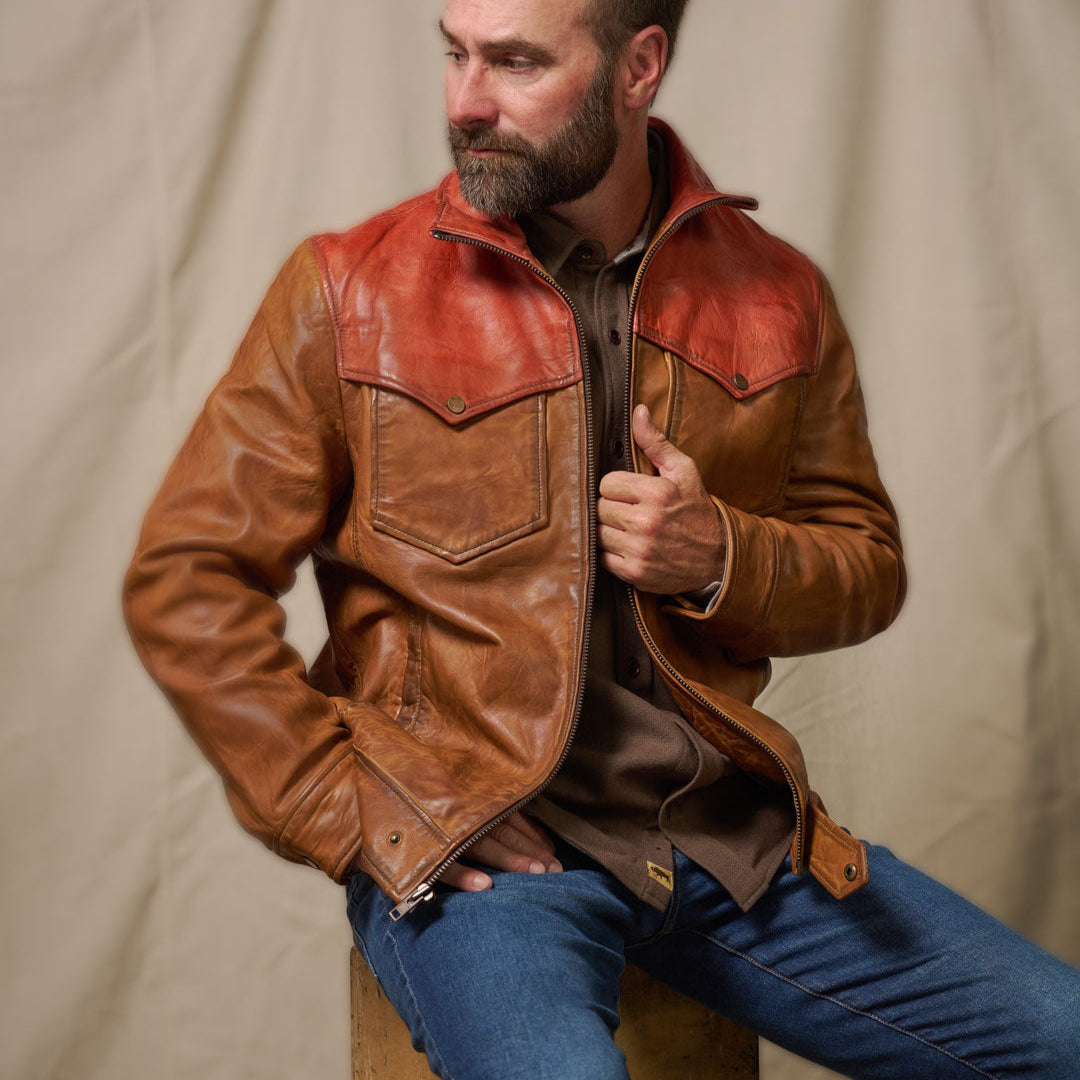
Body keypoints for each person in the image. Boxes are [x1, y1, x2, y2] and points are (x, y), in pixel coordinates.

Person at [123, 1, 1079, 1076]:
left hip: (727, 837)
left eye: (515, 61)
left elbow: (866, 565)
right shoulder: (349, 290)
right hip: (483, 856)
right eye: (455, 53)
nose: (466, 100)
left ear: (639, 66)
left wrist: (721, 556)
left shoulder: (777, 293)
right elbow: (187, 581)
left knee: (1063, 1035)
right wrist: (363, 807)